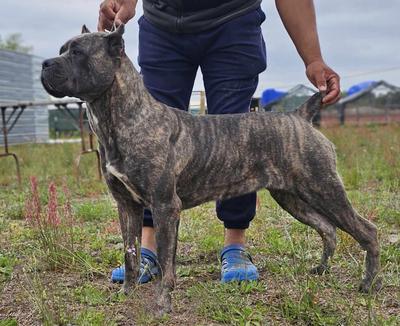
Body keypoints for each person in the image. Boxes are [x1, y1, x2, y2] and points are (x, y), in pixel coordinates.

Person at [97, 0, 341, 284]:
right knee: (149, 139)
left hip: (233, 21)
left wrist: (312, 58)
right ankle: (148, 247)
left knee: (238, 138)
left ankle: (235, 243)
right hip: (162, 25)